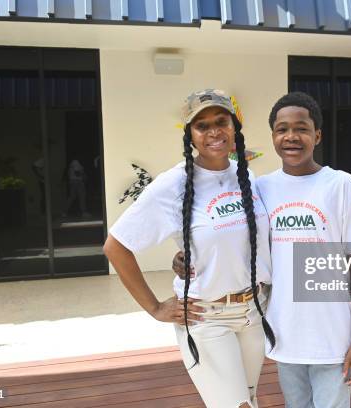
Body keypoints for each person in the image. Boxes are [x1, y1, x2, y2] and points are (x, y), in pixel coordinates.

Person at [174, 92, 351, 407]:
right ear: (273, 137)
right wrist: (186, 255)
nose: (291, 136)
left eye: (302, 128)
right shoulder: (260, 187)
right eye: (282, 129)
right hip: (284, 332)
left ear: (317, 135)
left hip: (334, 337)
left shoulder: (340, 185)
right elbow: (236, 240)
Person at [103, 89, 274, 408]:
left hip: (253, 313)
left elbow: (248, 240)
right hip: (207, 318)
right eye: (202, 125)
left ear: (234, 126)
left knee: (249, 398)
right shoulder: (174, 185)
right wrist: (154, 308)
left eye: (221, 121)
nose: (214, 131)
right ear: (190, 135)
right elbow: (116, 246)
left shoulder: (245, 175)